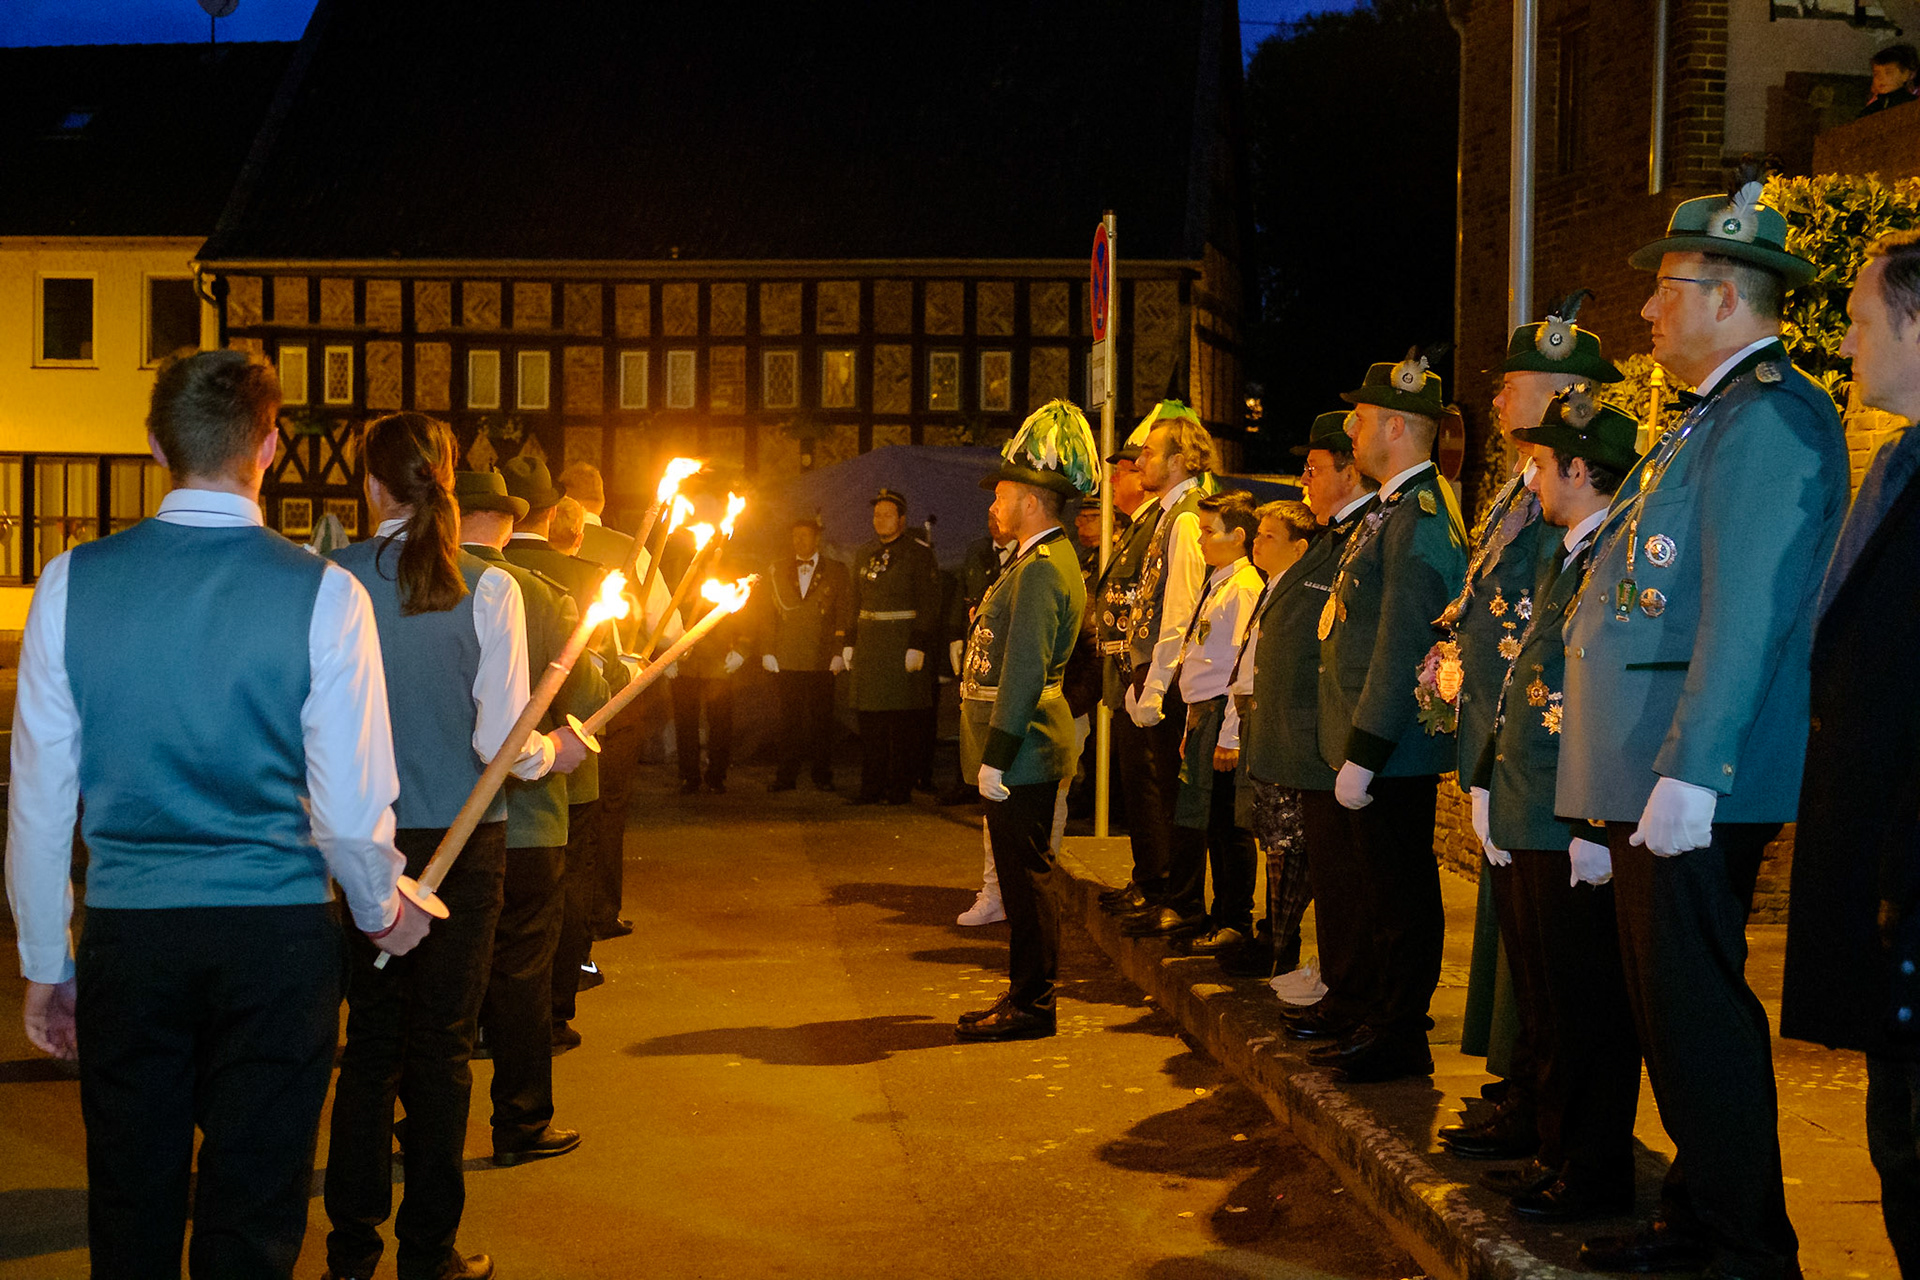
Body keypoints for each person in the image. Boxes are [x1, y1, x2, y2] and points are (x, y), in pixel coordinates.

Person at [5, 350, 430, 1278]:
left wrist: (47, 959)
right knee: (254, 1205)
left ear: (155, 445)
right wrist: (381, 911)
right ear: (271, 447)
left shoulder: (71, 583)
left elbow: (40, 800)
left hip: (131, 934)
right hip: (276, 939)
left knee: (132, 1199)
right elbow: (353, 811)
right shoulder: (326, 595)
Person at [1564, 177, 1846, 1280]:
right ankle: (1699, 1210)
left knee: (1700, 1013)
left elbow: (1750, 603)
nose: (1647, 312)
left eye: (1668, 289)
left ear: (1728, 298)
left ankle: (1744, 1242)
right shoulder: (1716, 417)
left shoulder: (1771, 415)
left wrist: (1695, 766)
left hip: (1692, 775)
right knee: (1671, 1012)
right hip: (1652, 773)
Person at [325, 415, 583, 1280]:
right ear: (446, 480)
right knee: (439, 1049)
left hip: (363, 838)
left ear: (370, 487)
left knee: (368, 1047)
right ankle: (426, 1252)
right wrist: (561, 751)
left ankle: (349, 1251)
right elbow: (500, 747)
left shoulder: (332, 580)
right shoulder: (491, 588)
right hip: (464, 843)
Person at [1442, 292, 1624, 1164]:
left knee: (1555, 973)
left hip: (1548, 755)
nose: (1502, 394)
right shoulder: (1517, 490)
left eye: (1519, 382)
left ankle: (1550, 1116)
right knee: (1522, 953)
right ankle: (1527, 1094)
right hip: (1505, 743)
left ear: (1564, 394)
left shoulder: (1579, 493)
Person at [1782, 228, 1920, 1278]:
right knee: (1898, 1135)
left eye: (1864, 318)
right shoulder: (1898, 462)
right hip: (1880, 878)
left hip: (1908, 879)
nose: (1846, 341)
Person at [1470, 389, 1643, 1224]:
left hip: (1566, 813)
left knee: (1585, 1009)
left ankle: (1594, 1168)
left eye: (1541, 463)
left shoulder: (1614, 555)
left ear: (1580, 469)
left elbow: (1605, 690)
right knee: (1546, 997)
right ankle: (1558, 1151)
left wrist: (1590, 824)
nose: (1530, 476)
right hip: (1531, 802)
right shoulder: (1564, 553)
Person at [1298, 354, 1466, 1083]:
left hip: (1391, 747)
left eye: (1362, 418)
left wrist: (1364, 749)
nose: (1354, 429)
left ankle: (1400, 1030)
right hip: (1371, 742)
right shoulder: (1391, 510)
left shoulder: (1419, 517)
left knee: (1397, 892)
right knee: (1375, 890)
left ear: (1396, 426)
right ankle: (1376, 1015)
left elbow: (1404, 641)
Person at [456, 470, 599, 1169]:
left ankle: (421, 1123)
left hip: (436, 819)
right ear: (508, 525)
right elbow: (589, 688)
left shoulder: (413, 590)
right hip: (529, 820)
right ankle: (520, 1122)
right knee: (521, 976)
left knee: (440, 982)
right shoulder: (546, 595)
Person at [956, 401, 1098, 1042]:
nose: (994, 505)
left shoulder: (1042, 570)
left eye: (1004, 494)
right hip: (1022, 747)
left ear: (1035, 502)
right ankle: (1024, 995)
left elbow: (1023, 670)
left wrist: (998, 752)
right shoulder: (1032, 560)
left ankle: (1035, 1006)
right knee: (1020, 878)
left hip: (1024, 749)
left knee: (1029, 879)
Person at [1246, 414, 1377, 1001]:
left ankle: (1349, 989)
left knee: (1345, 879)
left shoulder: (1362, 536)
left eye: (1315, 468)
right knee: (1321, 872)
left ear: (1350, 474)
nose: (1304, 479)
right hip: (1305, 741)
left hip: (1332, 741)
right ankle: (1335, 979)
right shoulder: (1329, 540)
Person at [500, 457, 633, 1028]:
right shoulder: (579, 580)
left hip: (476, 775)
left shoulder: (463, 573)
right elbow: (601, 685)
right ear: (554, 513)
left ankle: (485, 1013)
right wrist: (628, 671)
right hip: (562, 764)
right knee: (563, 883)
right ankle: (557, 1001)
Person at [1115, 402, 1217, 938]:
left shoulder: (1184, 518)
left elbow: (1178, 609)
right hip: (1158, 675)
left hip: (1174, 681)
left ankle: (1182, 900)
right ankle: (1172, 895)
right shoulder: (1169, 513)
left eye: (1150, 453)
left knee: (1176, 795)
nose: (1139, 463)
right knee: (1163, 790)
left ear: (1178, 460)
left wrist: (1156, 684)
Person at [1150, 491, 1264, 950]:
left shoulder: (1243, 588)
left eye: (1207, 530)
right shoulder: (1217, 582)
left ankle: (1234, 918)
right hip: (1203, 714)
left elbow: (1243, 667)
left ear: (1238, 536)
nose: (1200, 539)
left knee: (1227, 823)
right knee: (1205, 818)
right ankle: (1214, 913)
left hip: (1223, 713)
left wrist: (1231, 737)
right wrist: (1189, 725)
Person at [1220, 492, 1321, 982]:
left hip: (1281, 732)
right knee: (1270, 840)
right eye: (1256, 535)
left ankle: (1281, 946)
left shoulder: (1298, 596)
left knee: (1287, 844)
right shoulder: (1270, 588)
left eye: (1268, 537)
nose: (1257, 544)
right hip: (1256, 724)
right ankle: (1271, 936)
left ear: (1300, 548)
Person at [1091, 429, 1172, 915]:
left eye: (1123, 470)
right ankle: (1148, 874)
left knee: (1146, 782)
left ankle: (1156, 879)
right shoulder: (1139, 527)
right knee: (1135, 783)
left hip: (1138, 674)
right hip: (1125, 675)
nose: (1119, 478)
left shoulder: (1155, 527)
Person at [847, 489, 940, 805]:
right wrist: (848, 640)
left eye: (887, 514)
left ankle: (899, 788)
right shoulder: (864, 553)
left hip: (900, 642)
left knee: (900, 724)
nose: (880, 519)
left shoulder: (918, 553)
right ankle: (870, 787)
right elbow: (854, 598)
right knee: (870, 722)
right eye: (876, 514)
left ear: (901, 519)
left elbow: (929, 602)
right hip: (871, 644)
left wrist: (918, 643)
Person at [761, 513, 851, 792]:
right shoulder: (776, 570)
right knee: (788, 720)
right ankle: (786, 774)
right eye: (794, 536)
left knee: (821, 721)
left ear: (817, 539)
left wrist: (839, 650)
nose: (798, 541)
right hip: (787, 656)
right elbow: (766, 614)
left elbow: (843, 611)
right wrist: (767, 649)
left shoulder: (836, 570)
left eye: (804, 535)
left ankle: (822, 773)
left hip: (821, 657)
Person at [663, 521, 745, 795]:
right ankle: (689, 775)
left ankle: (717, 775)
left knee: (720, 722)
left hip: (718, 662)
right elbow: (666, 613)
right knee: (685, 722)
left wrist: (742, 650)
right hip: (686, 660)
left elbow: (748, 616)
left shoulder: (731, 576)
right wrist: (667, 655)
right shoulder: (680, 574)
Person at [1861, 43, 1920, 116]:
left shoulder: (1914, 103)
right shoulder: (1872, 108)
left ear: (1909, 75)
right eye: (1877, 74)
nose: (1881, 78)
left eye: (1888, 73)